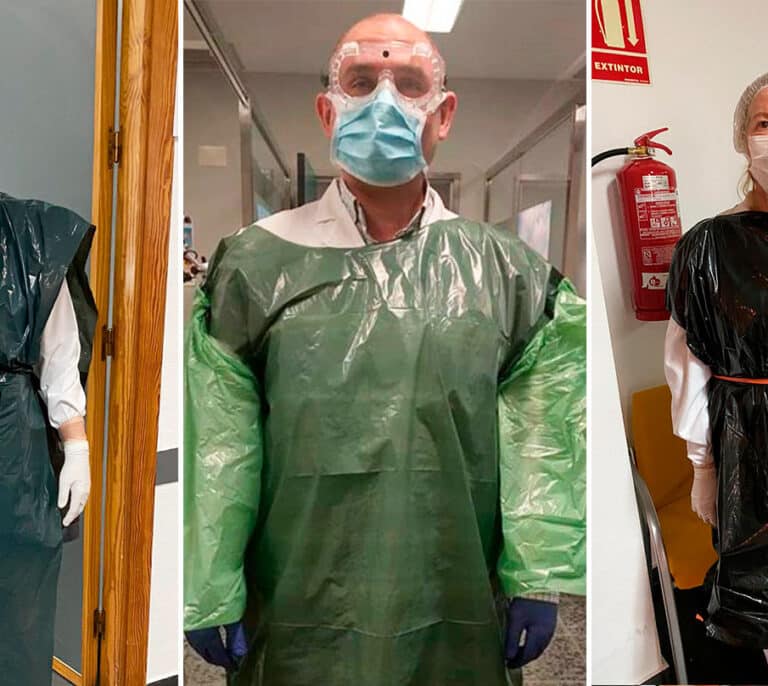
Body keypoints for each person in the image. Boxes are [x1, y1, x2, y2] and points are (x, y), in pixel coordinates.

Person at [184, 14, 586, 685]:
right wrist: (210, 580)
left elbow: (543, 434)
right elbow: (218, 444)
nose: (384, 101)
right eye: (362, 80)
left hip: (452, 588)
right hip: (297, 590)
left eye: (409, 83)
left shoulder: (507, 274)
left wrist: (538, 572)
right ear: (328, 110)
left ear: (444, 113)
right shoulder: (253, 265)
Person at [665, 72, 768, 653]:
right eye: (765, 123)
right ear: (742, 137)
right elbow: (688, 367)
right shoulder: (706, 248)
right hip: (745, 446)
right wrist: (703, 467)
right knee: (758, 597)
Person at [0, 193, 95, 683]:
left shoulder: (31, 235)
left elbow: (58, 358)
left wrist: (76, 447)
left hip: (12, 443)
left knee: (20, 598)